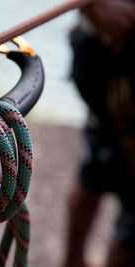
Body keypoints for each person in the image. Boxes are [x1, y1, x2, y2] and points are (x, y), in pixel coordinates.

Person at [62, 0, 135, 266]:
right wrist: (93, 6)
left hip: (98, 49)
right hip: (107, 54)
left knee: (98, 158)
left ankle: (73, 260)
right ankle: (73, 261)